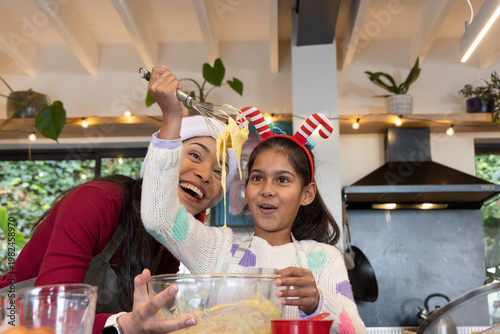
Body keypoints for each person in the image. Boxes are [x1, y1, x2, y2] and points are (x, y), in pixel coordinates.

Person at [0, 65, 238, 334]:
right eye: (195, 155)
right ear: (161, 159)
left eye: (220, 171)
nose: (206, 174)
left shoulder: (173, 242)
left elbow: (153, 319)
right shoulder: (98, 201)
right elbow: (53, 313)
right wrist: (124, 324)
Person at [140, 68, 367, 333]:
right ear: (246, 188)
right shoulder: (219, 250)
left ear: (307, 194)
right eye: (257, 178)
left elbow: (356, 331)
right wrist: (171, 118)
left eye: (282, 180)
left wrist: (317, 302)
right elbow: (159, 217)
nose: (267, 190)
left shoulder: (323, 259)